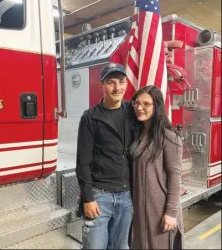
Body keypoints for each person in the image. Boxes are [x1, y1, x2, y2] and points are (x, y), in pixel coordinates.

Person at [76, 62, 133, 249]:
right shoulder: (90, 117)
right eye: (111, 82)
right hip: (100, 197)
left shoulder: (133, 112)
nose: (117, 87)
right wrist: (88, 198)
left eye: (121, 82)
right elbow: (83, 161)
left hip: (127, 197)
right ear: (101, 86)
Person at [129, 85, 184, 249]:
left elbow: (175, 176)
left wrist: (171, 213)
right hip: (140, 209)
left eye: (146, 104)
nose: (140, 107)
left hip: (160, 210)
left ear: (157, 106)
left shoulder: (169, 136)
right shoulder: (138, 133)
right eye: (137, 103)